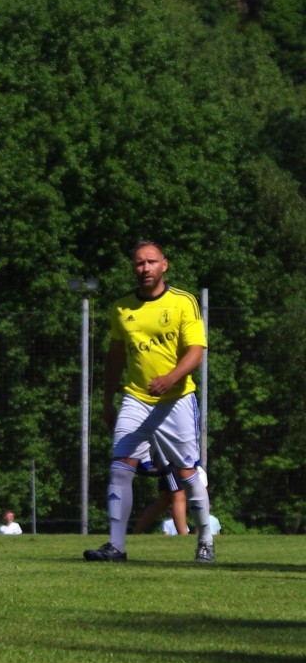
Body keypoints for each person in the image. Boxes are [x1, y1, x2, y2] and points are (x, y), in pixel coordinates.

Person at [85, 240, 212, 564]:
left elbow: (196, 351)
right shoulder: (122, 307)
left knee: (188, 474)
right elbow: (114, 357)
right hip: (136, 399)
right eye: (139, 263)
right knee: (120, 467)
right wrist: (107, 400)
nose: (145, 268)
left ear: (164, 265)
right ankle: (116, 546)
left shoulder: (184, 302)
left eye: (151, 262)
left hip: (176, 400)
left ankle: (205, 541)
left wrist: (171, 378)